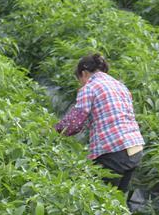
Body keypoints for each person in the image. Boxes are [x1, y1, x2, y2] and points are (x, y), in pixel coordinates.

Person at [54, 53, 144, 193]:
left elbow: (74, 123)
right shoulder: (120, 86)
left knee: (98, 197)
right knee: (117, 200)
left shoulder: (90, 87)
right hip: (135, 148)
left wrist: (54, 131)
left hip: (115, 151)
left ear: (83, 74)